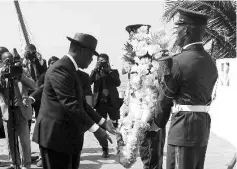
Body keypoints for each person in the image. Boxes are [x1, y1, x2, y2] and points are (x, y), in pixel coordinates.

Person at [146, 8, 218, 169]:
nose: (176, 32)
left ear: (186, 30)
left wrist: (155, 125)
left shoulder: (177, 62)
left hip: (183, 129)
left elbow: (164, 100)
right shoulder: (211, 62)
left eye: (178, 27)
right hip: (202, 128)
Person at [32, 33, 117, 169]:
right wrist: (96, 130)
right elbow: (70, 104)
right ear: (81, 50)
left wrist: (103, 122)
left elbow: (81, 103)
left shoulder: (72, 69)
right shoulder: (60, 68)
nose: (91, 61)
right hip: (55, 138)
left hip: (69, 137)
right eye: (91, 55)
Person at [0, 50, 36, 169]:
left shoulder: (22, 70)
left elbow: (34, 85)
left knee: (25, 141)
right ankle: (14, 164)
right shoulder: (1, 73)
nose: (9, 64)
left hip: (22, 110)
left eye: (11, 60)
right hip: (7, 111)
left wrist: (20, 76)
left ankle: (26, 165)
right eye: (6, 61)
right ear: (2, 62)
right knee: (10, 141)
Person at [28, 56, 59, 167]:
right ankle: (43, 157)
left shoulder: (65, 75)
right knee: (44, 136)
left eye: (55, 62)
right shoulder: (44, 76)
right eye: (50, 63)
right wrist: (32, 98)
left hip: (60, 111)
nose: (52, 64)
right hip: (44, 109)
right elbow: (40, 88)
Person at [90, 53, 122, 158]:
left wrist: (109, 71)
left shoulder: (114, 72)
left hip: (112, 103)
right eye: (100, 61)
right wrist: (95, 69)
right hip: (100, 103)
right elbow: (89, 82)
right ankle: (105, 149)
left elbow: (118, 83)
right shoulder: (95, 73)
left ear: (108, 61)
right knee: (102, 127)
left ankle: (120, 148)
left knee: (116, 127)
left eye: (104, 61)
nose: (102, 63)